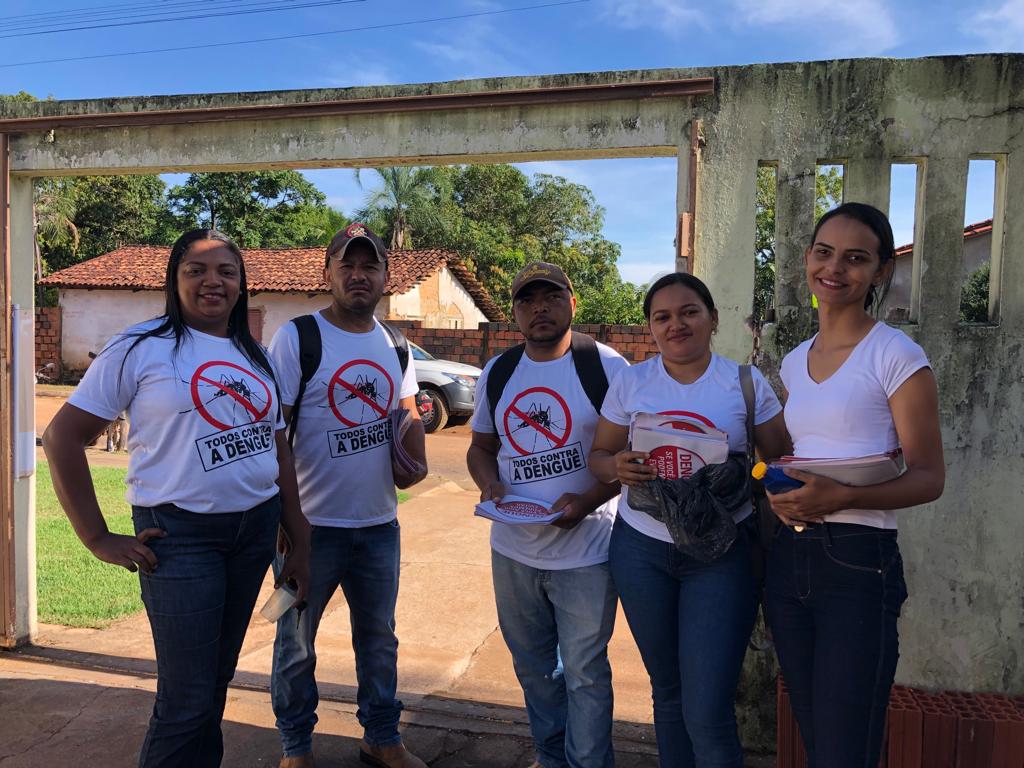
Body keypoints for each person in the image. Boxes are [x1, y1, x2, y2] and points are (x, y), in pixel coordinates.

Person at [42, 228, 311, 768]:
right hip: (180, 537)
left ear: (241, 285)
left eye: (226, 272)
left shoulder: (256, 357)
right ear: (174, 280)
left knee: (215, 681)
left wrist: (300, 543)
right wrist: (97, 537)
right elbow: (61, 437)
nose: (213, 281)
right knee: (186, 698)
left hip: (254, 532)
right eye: (196, 270)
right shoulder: (140, 347)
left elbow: (278, 448)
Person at [764, 202, 945, 768]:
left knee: (847, 747)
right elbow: (808, 452)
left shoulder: (896, 355)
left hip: (859, 562)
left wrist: (843, 496)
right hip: (789, 557)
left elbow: (929, 477)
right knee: (817, 736)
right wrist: (781, 490)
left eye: (855, 258)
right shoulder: (795, 361)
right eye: (824, 252)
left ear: (881, 271)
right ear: (806, 258)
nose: (834, 268)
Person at [589, 272, 789, 768]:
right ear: (651, 328)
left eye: (688, 312)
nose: (675, 324)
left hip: (722, 554)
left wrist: (743, 476)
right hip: (641, 551)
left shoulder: (745, 384)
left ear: (713, 319)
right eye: (662, 317)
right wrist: (617, 467)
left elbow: (782, 464)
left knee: (707, 709)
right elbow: (599, 456)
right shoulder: (631, 382)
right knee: (668, 692)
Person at [268, 223, 428, 768]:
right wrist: (289, 523)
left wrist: (415, 455)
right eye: (348, 265)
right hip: (310, 527)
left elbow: (406, 413)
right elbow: (275, 433)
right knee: (296, 644)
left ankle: (381, 738)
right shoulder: (297, 338)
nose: (359, 275)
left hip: (379, 525)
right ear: (327, 273)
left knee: (379, 640)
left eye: (370, 266)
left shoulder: (395, 344)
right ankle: (296, 747)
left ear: (386, 277)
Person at [467, 261, 628, 768]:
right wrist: (490, 486)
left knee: (585, 673)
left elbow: (631, 459)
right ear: (514, 312)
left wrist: (587, 502)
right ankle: (551, 756)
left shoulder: (607, 368)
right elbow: (480, 448)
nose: (540, 308)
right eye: (527, 300)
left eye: (552, 297)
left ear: (572, 303)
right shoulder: (499, 371)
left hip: (588, 551)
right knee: (535, 670)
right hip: (513, 551)